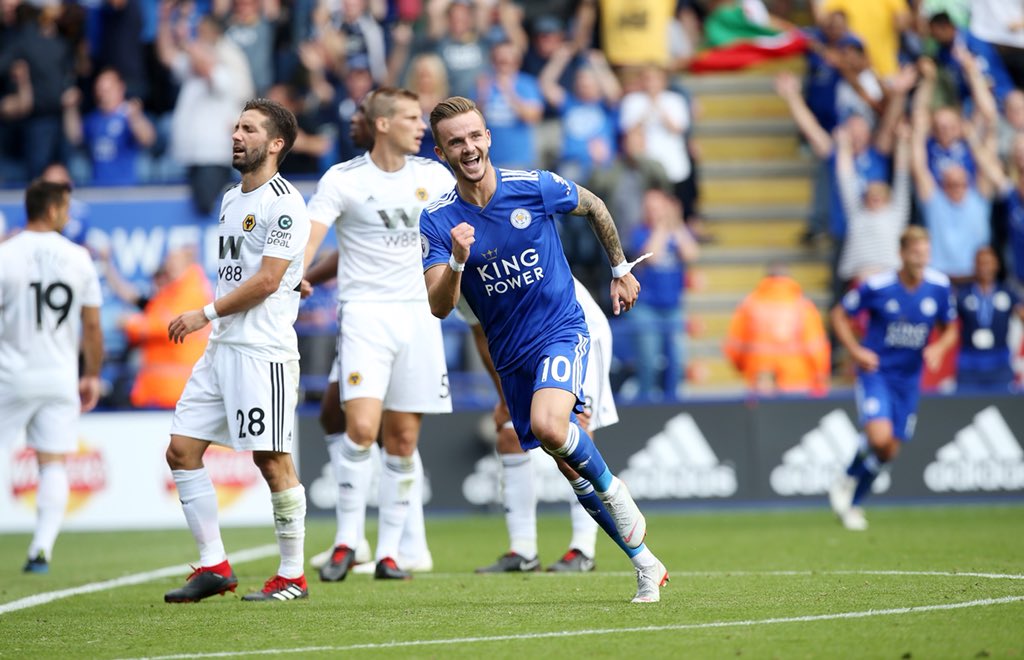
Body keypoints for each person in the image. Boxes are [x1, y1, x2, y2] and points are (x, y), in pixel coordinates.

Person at [420, 96, 668, 603]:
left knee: (555, 427)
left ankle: (614, 492)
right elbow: (439, 307)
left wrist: (620, 270)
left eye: (474, 136)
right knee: (567, 462)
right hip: (512, 355)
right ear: (442, 154)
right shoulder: (437, 221)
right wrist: (460, 260)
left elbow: (594, 205)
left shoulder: (531, 185)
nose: (468, 148)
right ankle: (646, 563)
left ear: (488, 137)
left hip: (562, 329)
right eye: (455, 142)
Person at [162, 98, 311, 603]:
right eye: (236, 127)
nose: (236, 135)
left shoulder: (285, 202)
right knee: (181, 451)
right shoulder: (230, 198)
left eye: (249, 129)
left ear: (276, 143)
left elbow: (267, 281)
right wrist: (293, 278)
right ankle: (214, 566)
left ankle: (292, 576)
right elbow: (260, 271)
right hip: (223, 348)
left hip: (261, 350)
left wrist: (203, 314)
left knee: (272, 461)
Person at [303, 87, 455, 582]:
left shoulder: (435, 177)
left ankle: (390, 553)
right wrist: (294, 276)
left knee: (403, 439)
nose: (421, 126)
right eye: (412, 117)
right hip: (365, 316)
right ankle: (348, 540)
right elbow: (310, 239)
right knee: (363, 429)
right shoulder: (343, 179)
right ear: (383, 124)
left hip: (420, 316)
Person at [472, 278, 617, 573]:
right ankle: (523, 551)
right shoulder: (457, 273)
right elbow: (481, 334)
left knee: (575, 430)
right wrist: (504, 397)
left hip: (574, 332)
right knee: (509, 434)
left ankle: (583, 549)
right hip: (525, 346)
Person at [0, 179, 103, 573]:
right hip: (59, 376)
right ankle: (41, 548)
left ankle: (40, 548)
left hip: (10, 373)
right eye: (66, 208)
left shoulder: (6, 255)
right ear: (51, 209)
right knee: (53, 464)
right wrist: (91, 374)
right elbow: (91, 326)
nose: (68, 215)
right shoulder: (78, 257)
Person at [829, 226, 958, 531]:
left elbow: (951, 327)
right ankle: (848, 481)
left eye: (925, 253)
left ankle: (853, 501)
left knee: (889, 450)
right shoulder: (878, 286)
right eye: (915, 253)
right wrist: (856, 351)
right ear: (901, 254)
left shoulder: (939, 286)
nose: (920, 259)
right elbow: (838, 315)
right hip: (877, 373)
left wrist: (939, 347)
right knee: (879, 437)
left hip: (909, 379)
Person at [723, 263, 830, 395]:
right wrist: (820, 377)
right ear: (789, 278)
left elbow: (734, 346)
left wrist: (743, 369)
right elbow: (816, 348)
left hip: (759, 380)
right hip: (797, 380)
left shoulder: (749, 305)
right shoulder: (803, 306)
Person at [955, 246, 1024, 393]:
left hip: (999, 359)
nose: (984, 268)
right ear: (975, 266)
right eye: (981, 263)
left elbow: (1021, 313)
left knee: (1002, 404)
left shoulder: (1007, 291)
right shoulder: (963, 294)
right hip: (969, 360)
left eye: (988, 263)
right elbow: (947, 323)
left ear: (996, 265)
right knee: (965, 404)